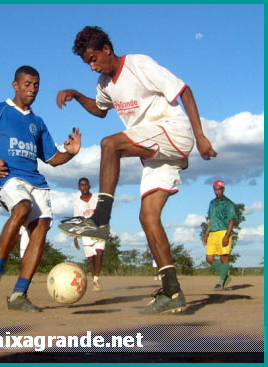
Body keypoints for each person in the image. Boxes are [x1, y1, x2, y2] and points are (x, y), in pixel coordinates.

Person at [57, 26, 217, 314]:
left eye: (94, 59)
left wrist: (201, 136)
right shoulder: (105, 84)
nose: (92, 67)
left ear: (107, 49)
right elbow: (100, 109)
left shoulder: (139, 64)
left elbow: (184, 91)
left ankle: (100, 218)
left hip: (173, 131)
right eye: (87, 63)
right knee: (147, 216)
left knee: (110, 144)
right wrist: (77, 95)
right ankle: (172, 291)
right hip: (156, 154)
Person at [0, 65, 81, 312]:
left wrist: (71, 153)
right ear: (15, 85)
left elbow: (52, 158)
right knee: (22, 208)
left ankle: (19, 295)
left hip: (36, 181)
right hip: (9, 177)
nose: (32, 89)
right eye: (27, 84)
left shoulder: (37, 122)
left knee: (41, 226)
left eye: (36, 85)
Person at [202, 180, 237, 291]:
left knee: (223, 257)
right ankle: (225, 275)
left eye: (219, 189)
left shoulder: (228, 203)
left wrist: (227, 235)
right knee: (209, 258)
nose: (217, 191)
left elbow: (232, 220)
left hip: (223, 231)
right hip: (213, 232)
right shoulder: (212, 203)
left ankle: (221, 282)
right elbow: (211, 220)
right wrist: (206, 235)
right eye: (215, 189)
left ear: (223, 189)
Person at [73, 177, 106, 291]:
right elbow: (77, 220)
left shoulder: (96, 197)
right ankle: (94, 280)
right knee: (91, 258)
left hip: (98, 229)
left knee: (100, 253)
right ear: (79, 188)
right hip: (86, 232)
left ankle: (96, 278)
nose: (84, 187)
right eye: (82, 185)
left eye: (86, 184)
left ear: (89, 186)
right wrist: (75, 237)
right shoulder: (77, 203)